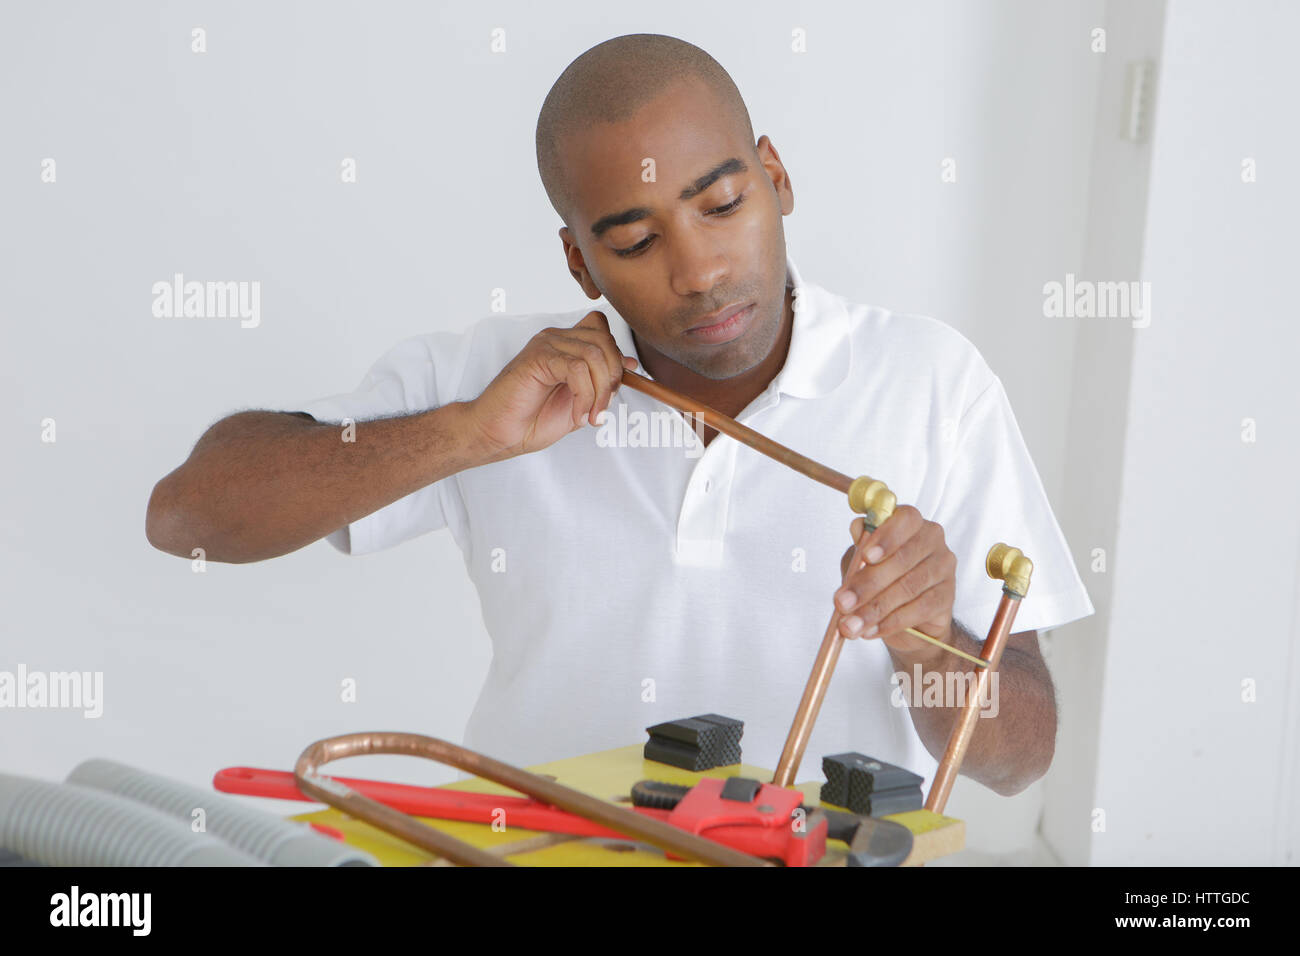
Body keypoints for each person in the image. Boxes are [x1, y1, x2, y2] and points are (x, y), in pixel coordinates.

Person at [146, 34, 1092, 796]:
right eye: (636, 241)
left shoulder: (932, 382)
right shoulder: (494, 379)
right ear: (579, 264)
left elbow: (1023, 758)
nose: (700, 271)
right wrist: (466, 434)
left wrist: (927, 640)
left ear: (775, 178)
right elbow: (189, 516)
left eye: (722, 204)